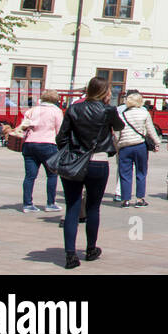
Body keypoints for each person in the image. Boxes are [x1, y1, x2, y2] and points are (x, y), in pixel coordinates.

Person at [54, 77, 124, 269]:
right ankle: (90, 249)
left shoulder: (74, 108)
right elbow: (119, 126)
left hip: (74, 162)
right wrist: (109, 109)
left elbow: (61, 136)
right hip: (98, 161)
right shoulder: (108, 110)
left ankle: (70, 255)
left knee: (72, 207)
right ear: (105, 92)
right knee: (93, 207)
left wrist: (71, 151)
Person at [11, 89, 64, 212]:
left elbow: (24, 126)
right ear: (56, 100)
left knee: (30, 176)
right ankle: (50, 203)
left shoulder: (32, 110)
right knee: (52, 175)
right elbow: (60, 130)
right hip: (48, 144)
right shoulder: (56, 111)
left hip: (30, 144)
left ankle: (27, 204)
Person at [114, 91, 160, 207]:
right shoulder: (144, 113)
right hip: (140, 146)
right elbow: (150, 130)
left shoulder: (122, 115)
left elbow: (116, 134)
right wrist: (157, 142)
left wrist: (117, 146)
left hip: (125, 147)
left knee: (125, 173)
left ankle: (125, 200)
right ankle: (139, 199)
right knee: (141, 172)